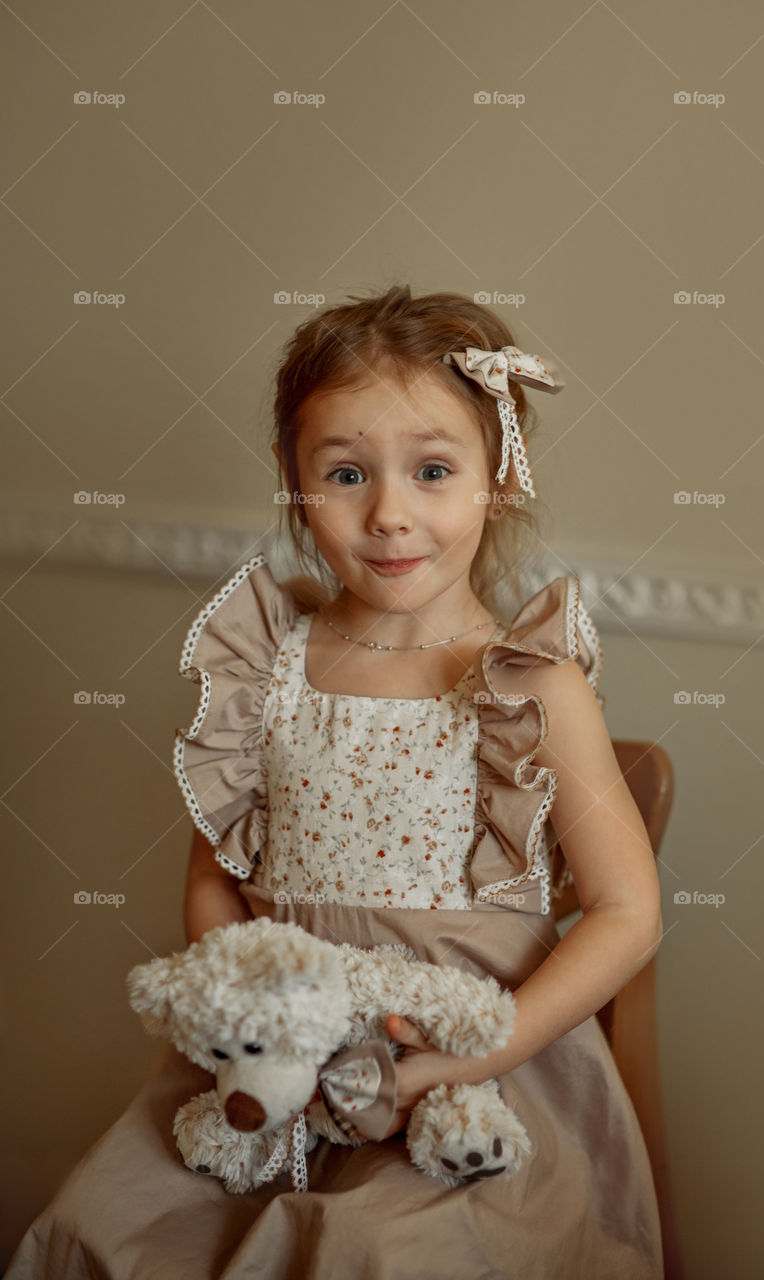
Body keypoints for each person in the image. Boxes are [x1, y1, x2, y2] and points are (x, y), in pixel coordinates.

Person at [8, 285, 665, 1278]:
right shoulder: (265, 667)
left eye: (433, 470)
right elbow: (213, 878)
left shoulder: (528, 684)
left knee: (382, 1252)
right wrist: (266, 1018)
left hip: (466, 1071)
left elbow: (626, 911)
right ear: (295, 481)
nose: (391, 513)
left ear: (499, 477)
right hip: (274, 1060)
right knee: (103, 1222)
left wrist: (470, 1057)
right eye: (347, 473)